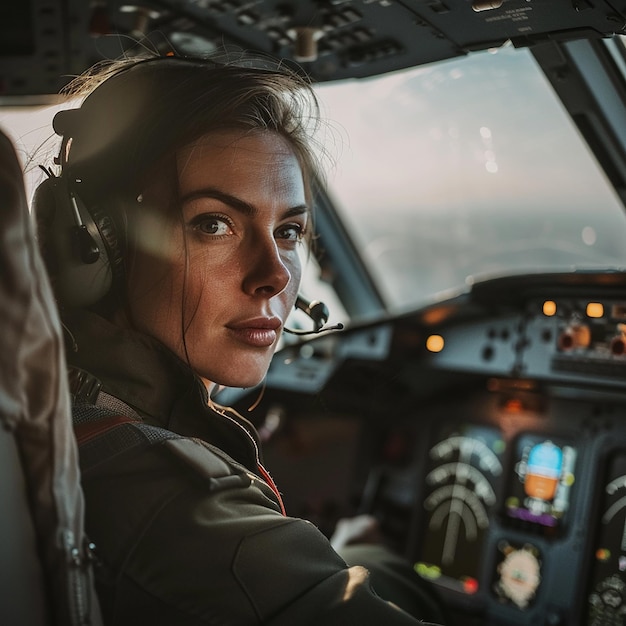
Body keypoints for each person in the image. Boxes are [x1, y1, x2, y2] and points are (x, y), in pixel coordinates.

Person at [33, 52, 445, 625]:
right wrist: (371, 554)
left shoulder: (51, 404)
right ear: (96, 245)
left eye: (288, 231)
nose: (274, 274)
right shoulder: (168, 500)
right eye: (214, 224)